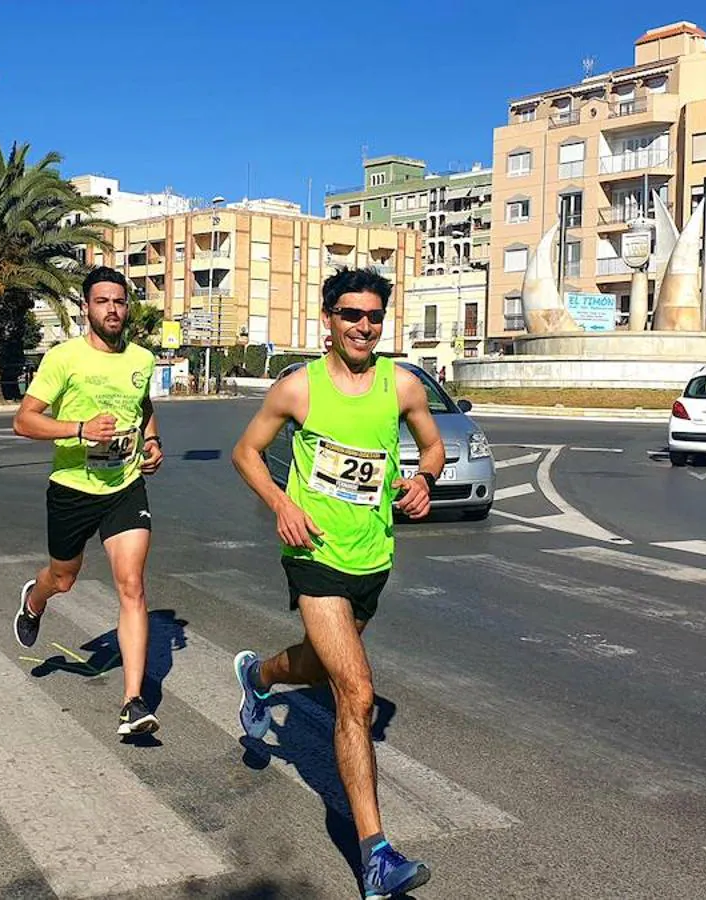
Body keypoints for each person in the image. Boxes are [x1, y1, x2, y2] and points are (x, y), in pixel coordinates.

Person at [230, 267, 445, 898]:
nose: (363, 326)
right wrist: (281, 504)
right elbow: (246, 452)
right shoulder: (298, 388)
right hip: (313, 552)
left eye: (374, 316)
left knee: (324, 668)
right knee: (356, 696)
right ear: (328, 318)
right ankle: (376, 856)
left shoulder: (402, 385)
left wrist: (422, 480)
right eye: (351, 314)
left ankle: (259, 676)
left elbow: (430, 447)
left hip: (371, 557)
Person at [12, 266, 165, 735]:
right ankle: (35, 601)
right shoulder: (64, 359)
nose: (113, 309)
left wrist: (153, 443)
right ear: (87, 309)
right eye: (103, 301)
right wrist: (79, 430)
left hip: (123, 486)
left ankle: (133, 702)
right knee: (63, 578)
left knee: (132, 585)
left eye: (120, 301)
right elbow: (24, 420)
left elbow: (143, 408)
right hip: (73, 488)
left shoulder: (141, 358)